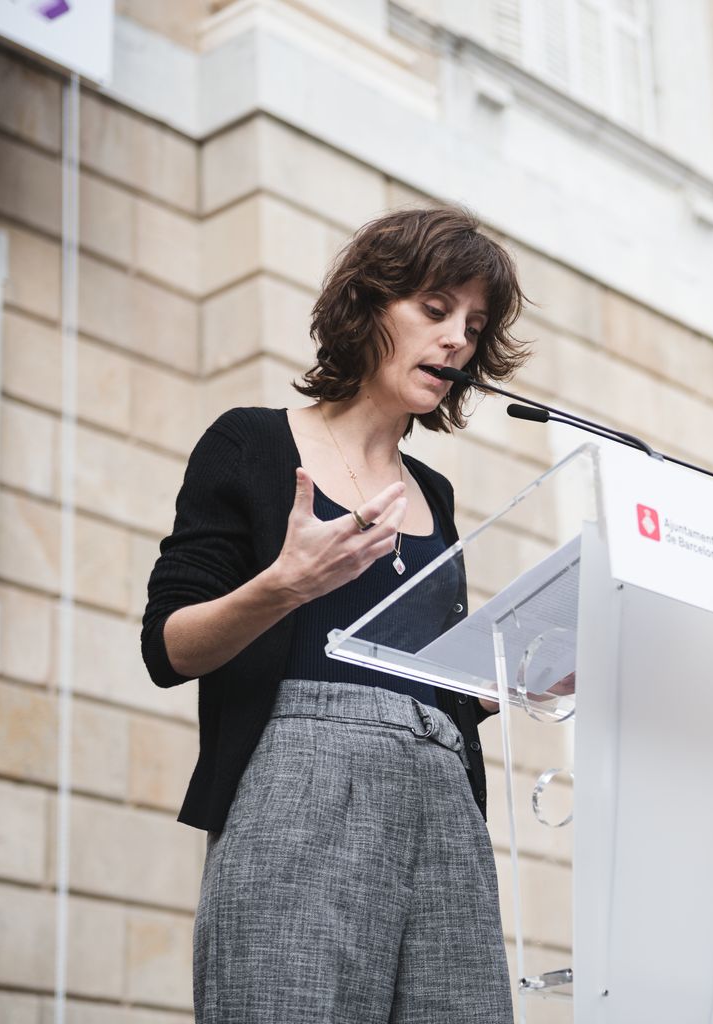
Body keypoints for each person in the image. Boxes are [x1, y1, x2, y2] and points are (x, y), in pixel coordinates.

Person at [140, 203, 528, 1023]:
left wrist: (490, 690)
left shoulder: (439, 498)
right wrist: (283, 584)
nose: (457, 337)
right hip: (298, 790)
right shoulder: (250, 443)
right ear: (367, 306)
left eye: (473, 324)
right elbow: (167, 648)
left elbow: (412, 679)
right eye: (433, 309)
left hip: (442, 808)